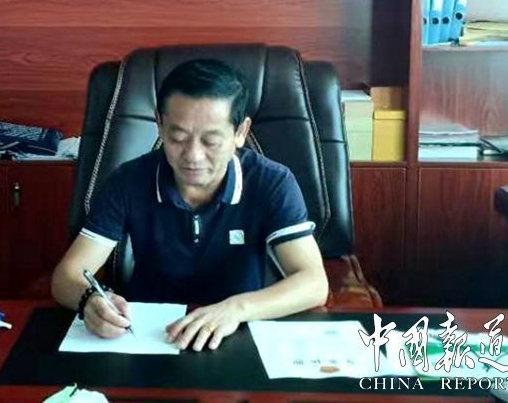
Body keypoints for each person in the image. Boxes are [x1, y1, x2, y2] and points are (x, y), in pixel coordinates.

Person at [52, 58, 329, 352]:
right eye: (178, 138)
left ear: (240, 132)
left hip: (238, 335)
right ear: (160, 125)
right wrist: (90, 301)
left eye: (211, 141)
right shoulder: (129, 181)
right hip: (148, 338)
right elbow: (66, 277)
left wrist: (235, 309)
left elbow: (313, 283)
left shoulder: (271, 182)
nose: (193, 156)